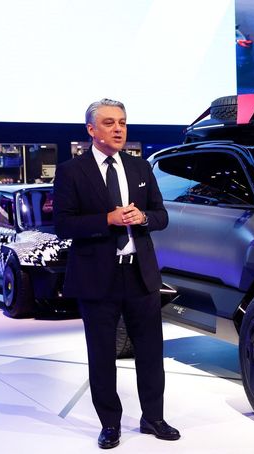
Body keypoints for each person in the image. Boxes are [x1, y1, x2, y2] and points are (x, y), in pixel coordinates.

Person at [53, 98, 179, 449]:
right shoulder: (71, 171)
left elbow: (161, 215)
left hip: (141, 275)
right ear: (91, 130)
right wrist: (105, 220)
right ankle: (110, 423)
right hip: (96, 278)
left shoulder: (140, 168)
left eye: (122, 121)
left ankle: (153, 418)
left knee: (151, 353)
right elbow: (62, 224)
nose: (119, 128)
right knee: (102, 355)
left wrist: (145, 218)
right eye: (109, 122)